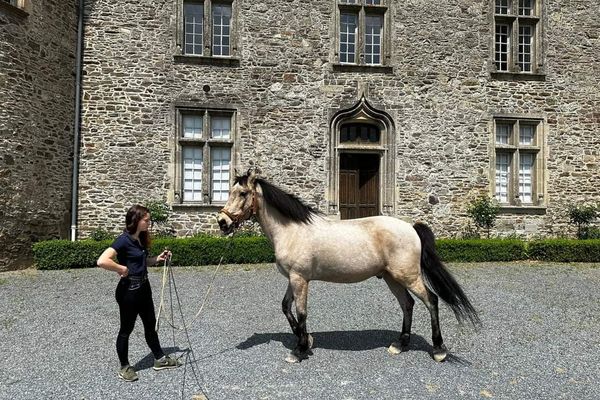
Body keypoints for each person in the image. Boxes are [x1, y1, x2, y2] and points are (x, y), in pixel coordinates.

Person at [97, 204, 179, 382]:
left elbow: (143, 262)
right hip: (128, 292)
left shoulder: (140, 239)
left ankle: (159, 359)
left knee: (150, 325)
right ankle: (125, 366)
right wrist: (121, 268)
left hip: (144, 288)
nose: (149, 223)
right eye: (146, 220)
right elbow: (102, 260)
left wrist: (157, 258)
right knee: (126, 329)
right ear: (136, 221)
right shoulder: (123, 240)